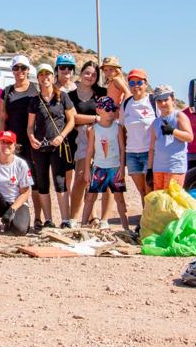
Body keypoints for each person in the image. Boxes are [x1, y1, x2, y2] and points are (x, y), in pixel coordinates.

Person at [27, 63, 75, 229]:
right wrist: (31, 138)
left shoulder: (62, 97)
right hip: (40, 147)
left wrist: (62, 136)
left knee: (60, 181)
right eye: (41, 75)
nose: (45, 77)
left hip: (58, 146)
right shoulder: (35, 100)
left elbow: (72, 120)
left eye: (48, 74)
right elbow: (30, 125)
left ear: (52, 77)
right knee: (42, 182)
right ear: (38, 78)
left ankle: (65, 220)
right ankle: (48, 219)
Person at [81, 97, 132, 234]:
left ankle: (126, 228)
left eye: (113, 109)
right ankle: (82, 226)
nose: (111, 112)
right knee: (91, 197)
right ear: (98, 110)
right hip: (98, 168)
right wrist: (87, 169)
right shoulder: (93, 129)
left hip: (115, 168)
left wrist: (122, 167)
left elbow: (122, 148)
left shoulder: (118, 128)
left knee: (119, 198)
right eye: (107, 109)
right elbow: (90, 150)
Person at [0, 55, 39, 222]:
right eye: (16, 68)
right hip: (12, 141)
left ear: (28, 70)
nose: (19, 71)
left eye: (23, 68)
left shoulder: (35, 90)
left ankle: (38, 218)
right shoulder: (7, 91)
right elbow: (1, 117)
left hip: (31, 140)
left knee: (34, 180)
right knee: (12, 178)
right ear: (12, 70)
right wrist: (0, 140)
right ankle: (11, 214)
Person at [68, 60, 106, 225]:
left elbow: (110, 113)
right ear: (81, 73)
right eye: (87, 72)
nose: (90, 76)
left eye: (94, 74)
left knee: (100, 179)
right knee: (81, 178)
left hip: (102, 138)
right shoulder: (70, 96)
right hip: (82, 140)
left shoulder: (101, 93)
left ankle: (94, 217)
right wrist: (96, 118)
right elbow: (73, 118)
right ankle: (73, 218)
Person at [119, 68, 158, 208]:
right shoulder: (126, 104)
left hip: (150, 152)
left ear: (145, 83)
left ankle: (153, 222)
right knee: (142, 191)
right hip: (132, 154)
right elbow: (121, 128)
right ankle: (145, 221)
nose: (136, 86)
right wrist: (122, 154)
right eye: (132, 83)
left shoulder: (153, 101)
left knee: (150, 189)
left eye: (139, 82)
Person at [149, 85, 193, 190]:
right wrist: (150, 169)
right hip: (158, 168)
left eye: (165, 100)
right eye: (159, 101)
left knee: (172, 202)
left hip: (175, 167)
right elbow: (152, 148)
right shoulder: (155, 122)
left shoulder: (179, 116)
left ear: (172, 99)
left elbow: (190, 137)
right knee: (160, 202)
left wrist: (173, 131)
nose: (162, 103)